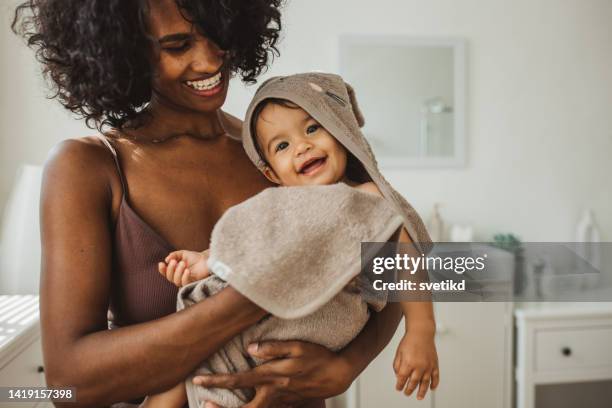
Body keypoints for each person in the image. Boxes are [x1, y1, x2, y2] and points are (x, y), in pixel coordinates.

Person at [13, 1, 410, 406]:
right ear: (125, 51)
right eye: (178, 45)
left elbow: (406, 261)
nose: (208, 61)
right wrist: (253, 295)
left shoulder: (282, 156)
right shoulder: (87, 167)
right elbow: (68, 383)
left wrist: (347, 367)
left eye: (216, 34)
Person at [143, 75, 440, 408]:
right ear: (272, 173)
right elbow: (249, 243)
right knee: (204, 340)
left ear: (340, 131)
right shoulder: (283, 205)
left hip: (326, 314)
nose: (302, 146)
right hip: (273, 323)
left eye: (313, 129)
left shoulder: (366, 199)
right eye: (282, 146)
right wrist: (205, 261)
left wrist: (420, 331)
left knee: (210, 346)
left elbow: (408, 262)